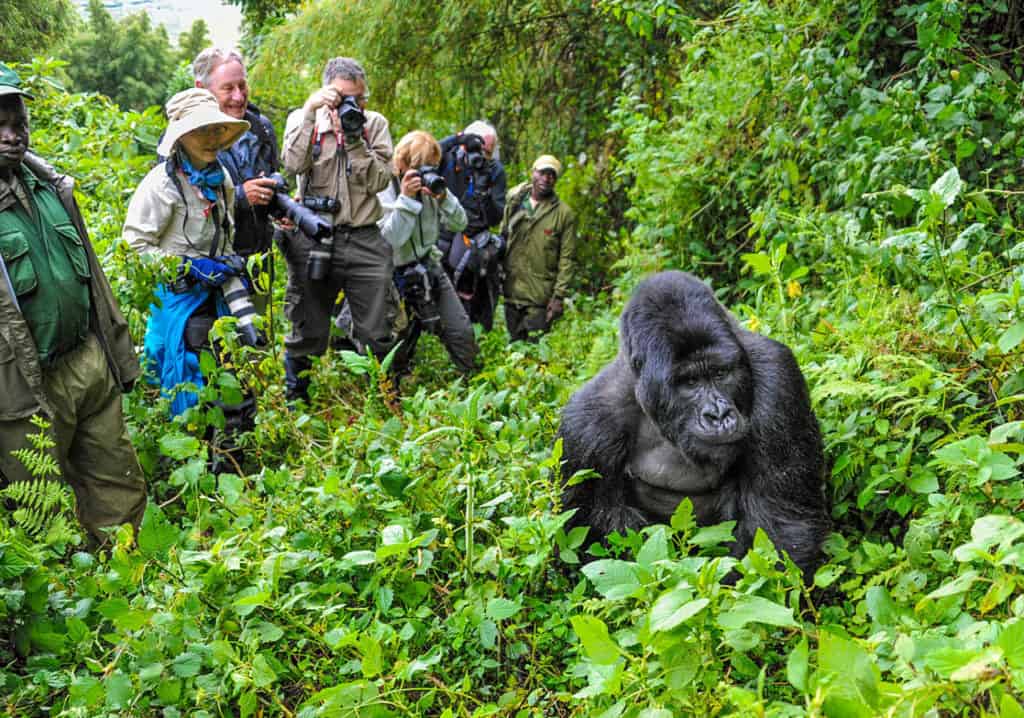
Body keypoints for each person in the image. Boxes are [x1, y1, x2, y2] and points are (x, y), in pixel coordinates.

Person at [0, 62, 146, 546]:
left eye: (17, 123)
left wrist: (117, 356)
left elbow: (95, 282)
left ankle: (127, 590)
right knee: (39, 514)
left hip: (87, 361)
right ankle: (61, 607)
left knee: (118, 486)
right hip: (21, 384)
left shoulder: (49, 188)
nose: (11, 136)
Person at [122, 88, 255, 436]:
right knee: (176, 372)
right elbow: (134, 248)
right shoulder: (160, 186)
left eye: (215, 130)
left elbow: (224, 230)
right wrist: (186, 265)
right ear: (181, 136)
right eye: (201, 130)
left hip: (217, 295)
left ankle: (228, 445)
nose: (211, 139)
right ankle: (183, 447)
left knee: (230, 368)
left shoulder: (221, 177)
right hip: (177, 297)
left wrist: (226, 263)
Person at [280, 57, 395, 402]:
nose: (353, 105)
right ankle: (297, 399)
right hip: (317, 235)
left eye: (359, 98)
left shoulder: (375, 125)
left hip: (364, 236)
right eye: (344, 97)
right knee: (308, 326)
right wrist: (309, 111)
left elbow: (379, 180)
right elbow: (292, 164)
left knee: (377, 328)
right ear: (327, 93)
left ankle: (383, 396)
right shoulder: (306, 121)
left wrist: (355, 139)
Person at [378, 130, 477, 377]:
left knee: (460, 330)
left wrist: (444, 199)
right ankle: (392, 392)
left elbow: (460, 223)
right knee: (397, 339)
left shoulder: (432, 185)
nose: (426, 174)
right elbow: (391, 239)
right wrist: (407, 200)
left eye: (431, 167)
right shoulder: (384, 187)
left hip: (428, 265)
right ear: (402, 163)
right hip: (394, 273)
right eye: (420, 167)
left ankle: (473, 382)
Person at [192, 47, 279, 311]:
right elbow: (184, 208)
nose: (238, 97)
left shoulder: (261, 127)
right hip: (209, 269)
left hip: (257, 261)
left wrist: (277, 204)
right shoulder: (186, 137)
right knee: (214, 346)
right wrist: (241, 197)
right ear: (201, 88)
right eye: (228, 89)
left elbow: (271, 174)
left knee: (256, 344)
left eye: (242, 85)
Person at [499, 154, 577, 342]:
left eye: (551, 175)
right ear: (533, 173)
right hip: (511, 292)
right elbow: (502, 238)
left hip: (540, 297)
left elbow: (567, 259)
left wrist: (558, 297)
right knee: (514, 349)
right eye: (542, 172)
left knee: (534, 353)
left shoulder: (564, 214)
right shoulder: (515, 201)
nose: (546, 178)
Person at [438, 121, 507, 331]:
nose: (481, 156)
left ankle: (474, 336)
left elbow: (496, 216)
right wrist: (457, 139)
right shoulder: (449, 158)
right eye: (476, 149)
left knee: (474, 302)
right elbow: (418, 157)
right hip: (442, 236)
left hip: (474, 241)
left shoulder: (494, 170)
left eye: (487, 151)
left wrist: (484, 192)